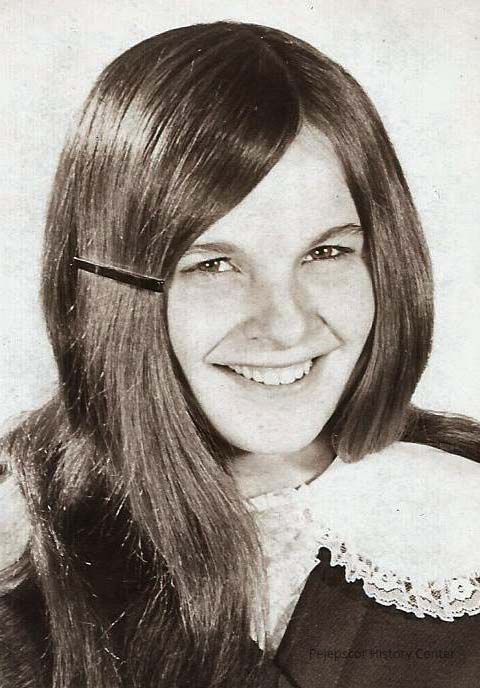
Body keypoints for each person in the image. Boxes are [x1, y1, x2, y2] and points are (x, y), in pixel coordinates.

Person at [0, 20, 479, 688]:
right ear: (114, 292)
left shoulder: (461, 513)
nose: (285, 326)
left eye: (326, 252)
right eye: (214, 265)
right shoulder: (22, 570)